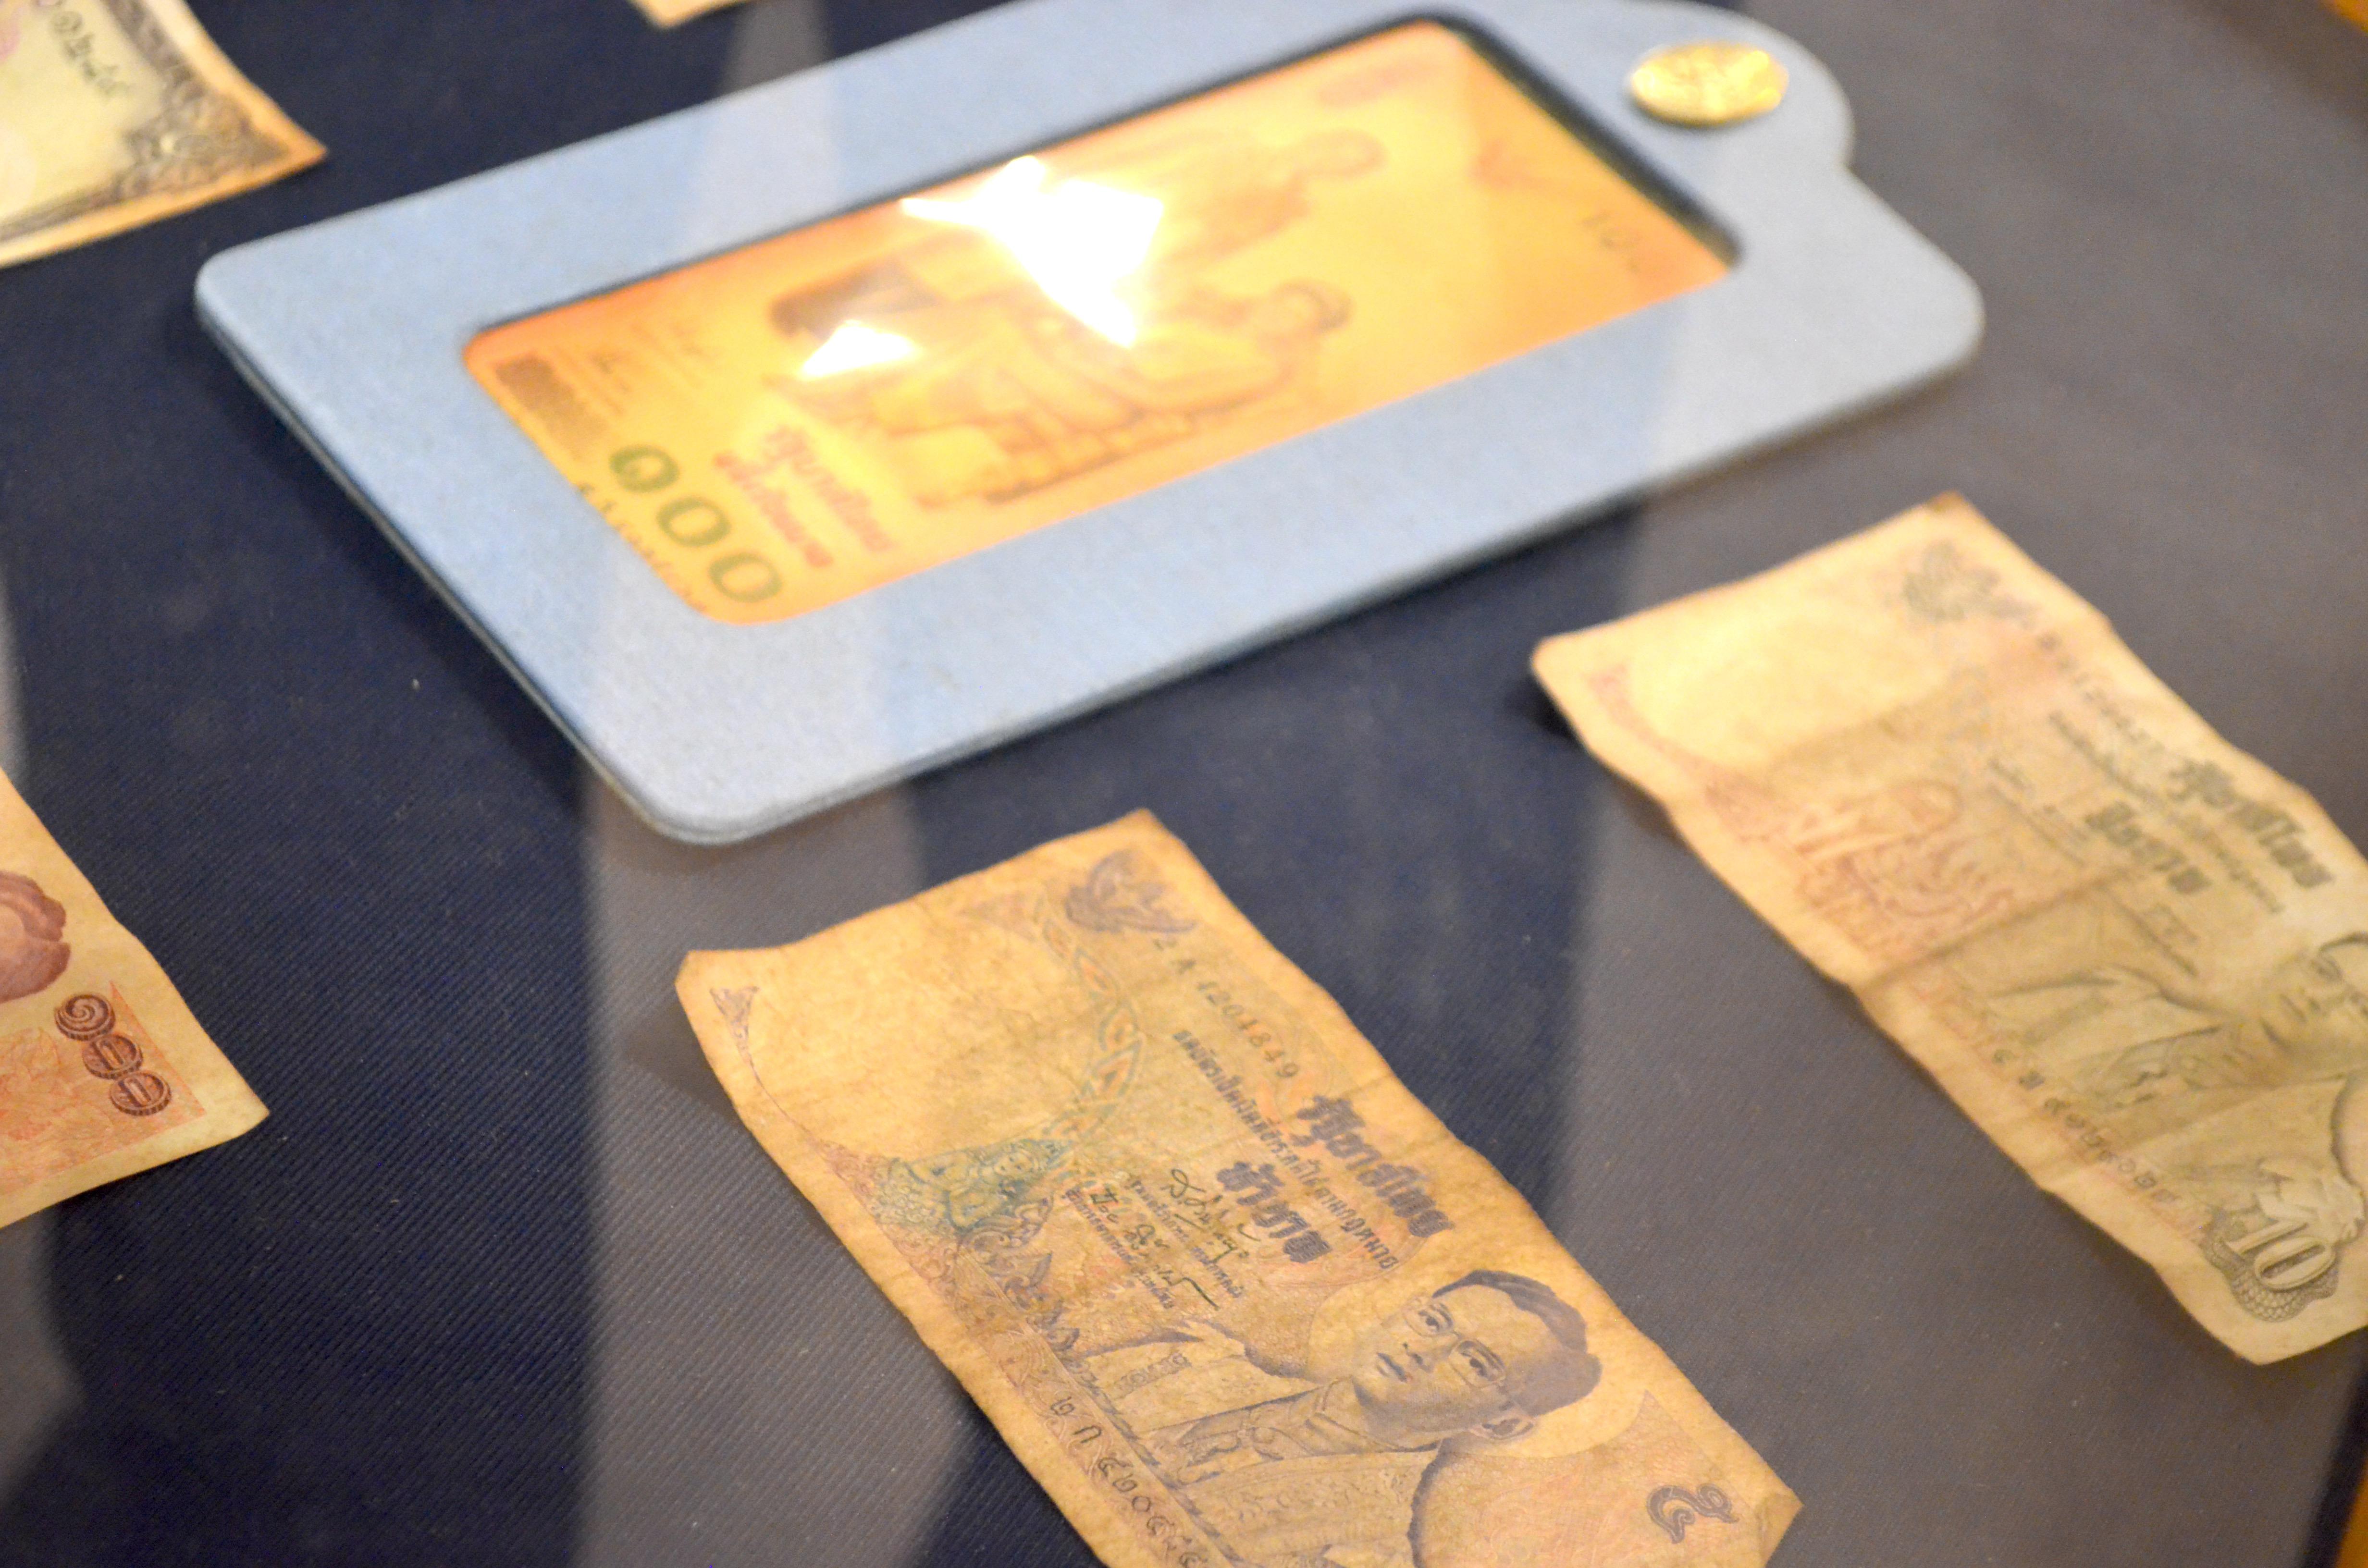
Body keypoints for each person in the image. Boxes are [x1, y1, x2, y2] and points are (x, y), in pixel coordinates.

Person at [1085, 1271, 1599, 1568]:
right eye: (1432, 1321)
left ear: (1501, 1426)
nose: (1422, 1350)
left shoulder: (1364, 1550)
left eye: (1475, 1363)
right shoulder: (1199, 1360)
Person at [1991, 933, 2368, 1107]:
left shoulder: (2291, 1154)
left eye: (2362, 1009)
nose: (2316, 999)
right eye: (2324, 971)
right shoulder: (2125, 999)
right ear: (2293, 962)